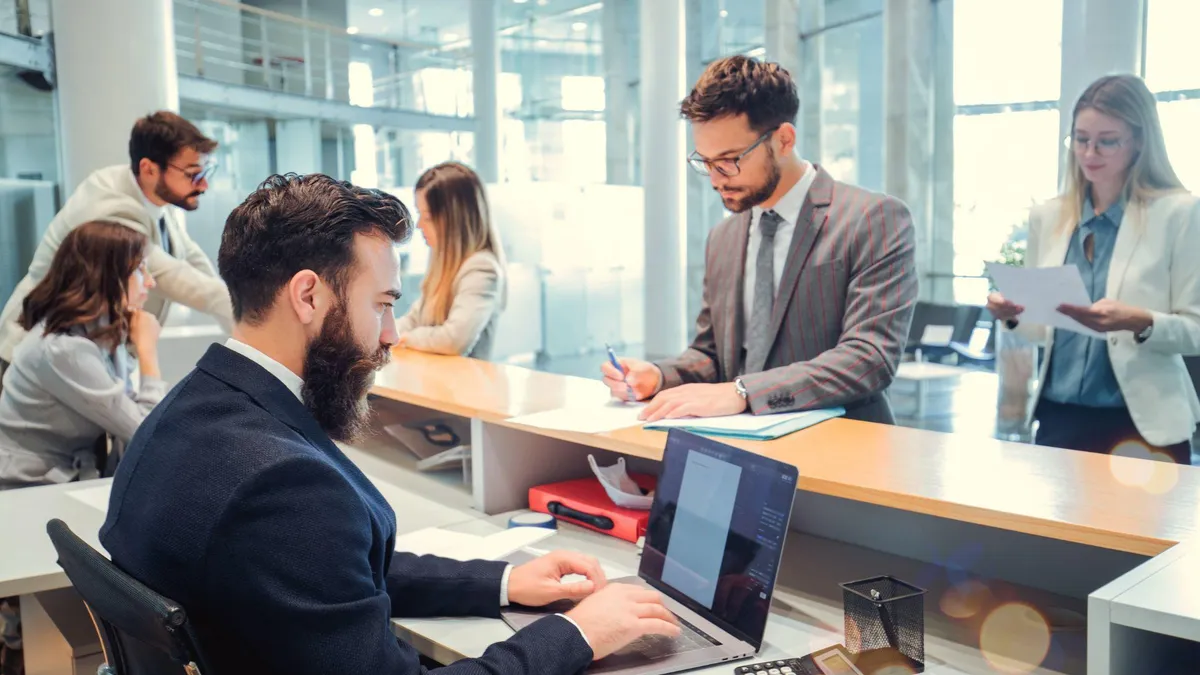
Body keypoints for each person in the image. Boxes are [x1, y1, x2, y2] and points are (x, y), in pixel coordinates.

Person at [100, 174, 678, 674]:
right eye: (381, 303)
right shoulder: (285, 485)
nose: (392, 334)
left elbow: (324, 578)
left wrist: (501, 583)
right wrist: (577, 635)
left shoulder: (190, 411)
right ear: (308, 295)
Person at [602, 56, 917, 424]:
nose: (716, 178)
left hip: (841, 449)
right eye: (705, 161)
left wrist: (743, 393)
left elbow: (869, 358)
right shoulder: (723, 238)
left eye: (730, 159)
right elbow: (713, 354)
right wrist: (658, 376)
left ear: (784, 139)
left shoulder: (872, 219)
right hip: (741, 449)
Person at [987, 74, 1200, 465]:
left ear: (1139, 141)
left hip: (1143, 428)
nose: (1089, 152)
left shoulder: (1180, 214)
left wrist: (1138, 321)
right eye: (1081, 138)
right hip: (1058, 418)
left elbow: (1196, 330)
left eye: (1107, 140)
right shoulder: (1048, 216)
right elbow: (1045, 330)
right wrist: (1013, 316)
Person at [0, 111, 233, 373]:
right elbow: (174, 276)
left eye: (205, 172)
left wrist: (238, 310)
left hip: (78, 358)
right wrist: (252, 329)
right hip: (34, 356)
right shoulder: (112, 208)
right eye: (192, 175)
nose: (203, 185)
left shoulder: (153, 199)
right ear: (149, 169)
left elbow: (191, 258)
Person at [0, 221, 163, 489]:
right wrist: (148, 353)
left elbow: (134, 417)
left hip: (61, 482)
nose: (150, 281)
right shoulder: (63, 349)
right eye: (139, 269)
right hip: (26, 492)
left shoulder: (100, 332)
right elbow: (148, 433)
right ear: (105, 276)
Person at [395, 162, 506, 359]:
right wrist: (384, 335)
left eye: (427, 217)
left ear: (454, 220)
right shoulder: (443, 264)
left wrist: (408, 339)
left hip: (465, 386)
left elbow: (454, 340)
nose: (419, 225)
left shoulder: (481, 268)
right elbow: (414, 319)